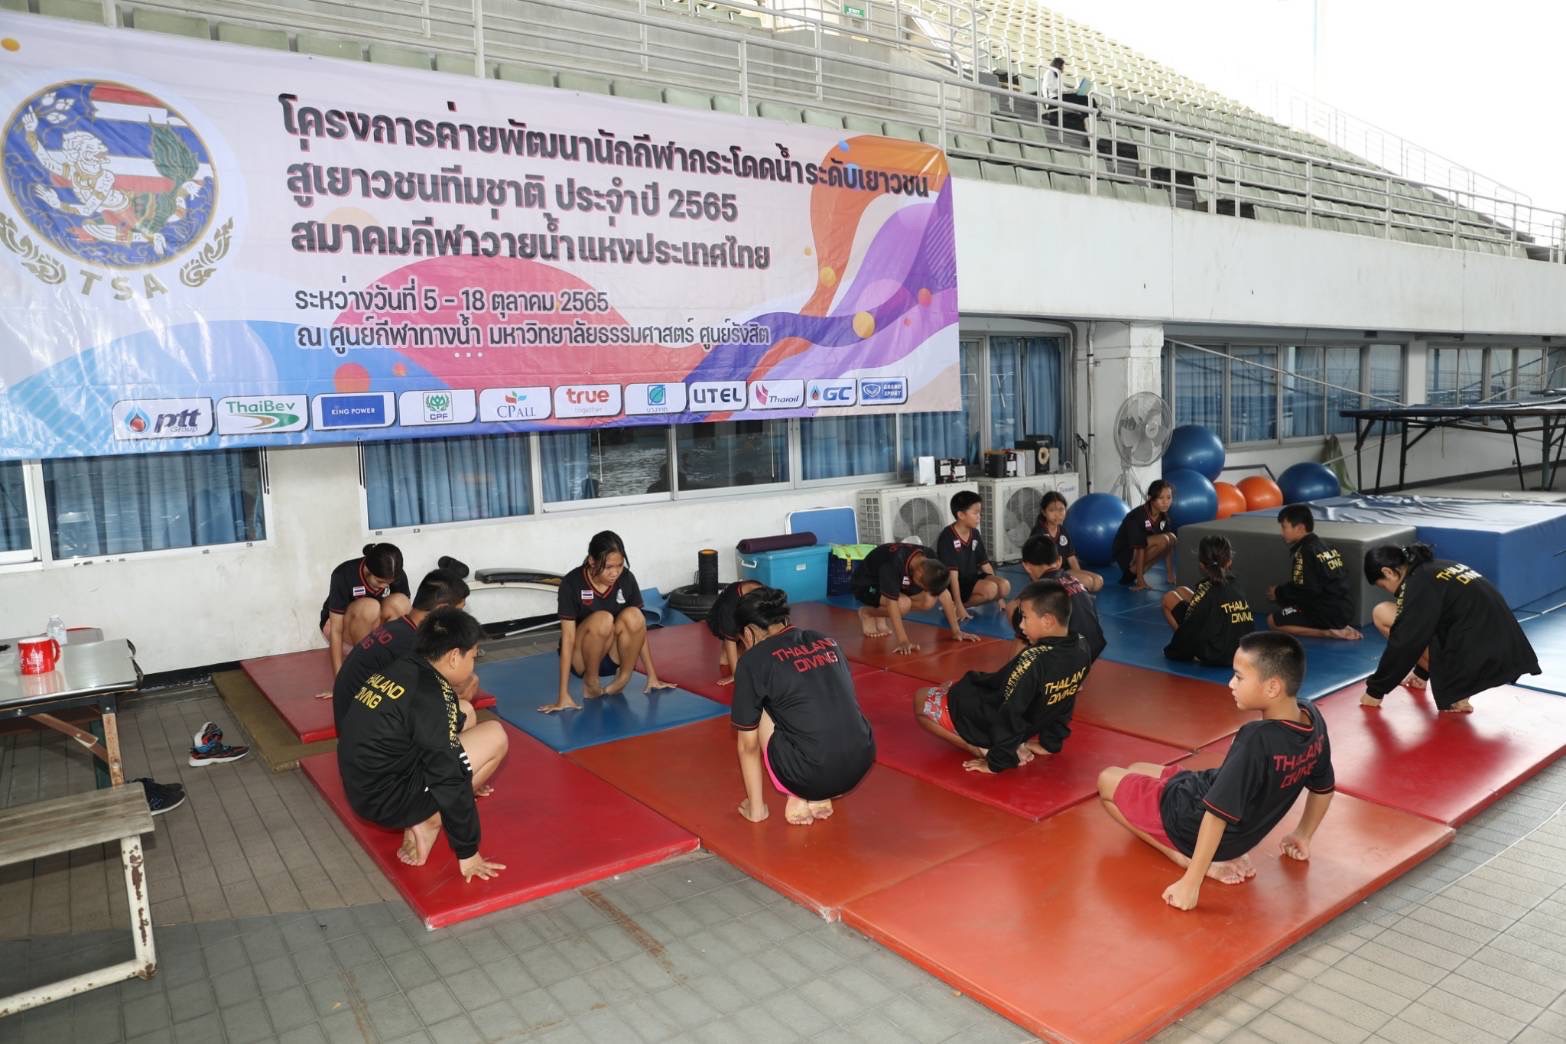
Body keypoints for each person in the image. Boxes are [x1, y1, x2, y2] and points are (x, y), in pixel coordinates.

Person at [1097, 631, 1334, 911]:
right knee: (1136, 768)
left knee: (1106, 780)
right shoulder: (1311, 718)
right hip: (1217, 804)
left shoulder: (1255, 740)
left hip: (1196, 824)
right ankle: (1195, 846)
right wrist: (1303, 834)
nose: (1231, 683)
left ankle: (1180, 855)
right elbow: (1323, 787)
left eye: (1239, 677)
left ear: (1272, 687)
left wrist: (1191, 882)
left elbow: (1216, 814)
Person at [337, 608, 510, 881]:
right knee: (496, 736)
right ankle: (428, 820)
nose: (473, 665)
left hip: (363, 788)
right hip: (386, 801)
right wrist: (467, 852)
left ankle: (424, 808)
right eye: (473, 657)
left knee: (466, 711)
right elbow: (448, 775)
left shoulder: (405, 665)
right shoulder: (430, 694)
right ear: (454, 656)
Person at [731, 587, 875, 826]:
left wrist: (756, 809)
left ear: (748, 632)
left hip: (809, 776)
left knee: (761, 702)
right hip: (859, 763)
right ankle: (820, 795)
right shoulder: (825, 640)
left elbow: (748, 746)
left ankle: (799, 794)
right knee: (812, 697)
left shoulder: (753, 661)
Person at [914, 580, 1092, 772]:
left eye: (1025, 618)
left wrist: (997, 761)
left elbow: (1010, 713)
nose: (1021, 625)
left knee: (921, 699)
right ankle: (1010, 743)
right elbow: (1066, 697)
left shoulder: (1033, 659)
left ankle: (979, 749)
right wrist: (1050, 743)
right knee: (952, 686)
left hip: (993, 725)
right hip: (1025, 725)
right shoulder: (1081, 645)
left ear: (1047, 621)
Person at [1361, 544, 1540, 713]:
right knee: (1414, 622)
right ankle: (1451, 683)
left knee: (1382, 612)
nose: (1389, 591)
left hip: (1479, 661)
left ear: (1388, 572)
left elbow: (1405, 642)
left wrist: (1375, 691)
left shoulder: (1418, 584)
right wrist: (1421, 673)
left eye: (1383, 586)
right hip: (1510, 653)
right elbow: (1433, 624)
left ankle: (1456, 690)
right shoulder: (1436, 567)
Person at [323, 558, 477, 728]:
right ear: (442, 609)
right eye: (459, 611)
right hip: (369, 728)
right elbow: (433, 695)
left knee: (461, 700)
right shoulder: (413, 645)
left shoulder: (399, 628)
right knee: (465, 711)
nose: (461, 618)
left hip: (356, 721)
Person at [540, 531, 673, 713]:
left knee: (635, 615)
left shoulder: (626, 578)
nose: (615, 573)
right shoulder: (572, 583)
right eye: (608, 567)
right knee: (604, 619)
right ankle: (591, 682)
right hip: (581, 659)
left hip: (612, 656)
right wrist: (562, 695)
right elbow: (568, 638)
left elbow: (639, 630)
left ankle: (623, 679)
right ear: (592, 561)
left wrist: (652, 676)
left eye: (619, 565)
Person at [850, 542, 981, 655]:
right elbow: (892, 603)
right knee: (903, 604)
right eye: (924, 586)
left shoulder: (929, 557)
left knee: (928, 600)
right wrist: (903, 641)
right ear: (919, 573)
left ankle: (880, 614)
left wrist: (957, 631)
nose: (924, 589)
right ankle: (868, 613)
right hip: (866, 585)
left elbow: (944, 594)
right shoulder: (893, 563)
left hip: (889, 584)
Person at [1267, 504, 1360, 641]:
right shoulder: (1325, 546)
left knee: (1272, 621)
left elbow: (1306, 590)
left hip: (1326, 612)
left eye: (1284, 527)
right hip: (1344, 609)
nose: (1282, 532)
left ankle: (1328, 632)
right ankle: (1337, 625)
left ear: (1300, 528)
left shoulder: (1305, 552)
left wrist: (1279, 592)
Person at [320, 543, 412, 677]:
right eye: (379, 581)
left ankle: (389, 660)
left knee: (401, 602)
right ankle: (365, 665)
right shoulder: (343, 574)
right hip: (342, 629)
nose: (384, 586)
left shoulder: (396, 574)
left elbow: (406, 623)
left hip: (373, 627)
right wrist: (339, 680)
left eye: (388, 583)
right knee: (370, 606)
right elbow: (336, 630)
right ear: (368, 570)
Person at [1163, 536, 1256, 667]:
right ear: (1229, 561)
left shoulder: (1206, 591)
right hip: (1242, 649)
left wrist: (1175, 650)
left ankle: (1195, 653)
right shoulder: (1236, 584)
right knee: (1182, 590)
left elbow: (1191, 628)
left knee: (1169, 598)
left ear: (1202, 564)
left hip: (1217, 654)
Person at [1016, 534, 1105, 661]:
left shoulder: (1039, 591)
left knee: (1022, 631)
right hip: (1093, 648)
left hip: (1069, 656)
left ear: (1026, 566)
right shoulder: (1074, 580)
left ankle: (1013, 673)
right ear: (1059, 561)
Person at [936, 490, 1011, 613]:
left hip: (972, 578)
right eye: (975, 513)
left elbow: (984, 564)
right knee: (990, 589)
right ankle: (954, 606)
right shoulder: (947, 536)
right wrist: (959, 603)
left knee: (1004, 586)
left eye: (980, 513)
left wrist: (1000, 598)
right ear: (961, 515)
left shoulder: (975, 533)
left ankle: (962, 605)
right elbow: (952, 574)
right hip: (955, 583)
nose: (979, 517)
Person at [1028, 490, 1103, 592]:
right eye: (1052, 510)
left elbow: (1071, 557)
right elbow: (1034, 563)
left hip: (1064, 571)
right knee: (1088, 582)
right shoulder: (1039, 533)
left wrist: (1078, 574)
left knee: (1098, 581)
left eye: (1061, 509)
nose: (1057, 514)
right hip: (1049, 574)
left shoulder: (1063, 530)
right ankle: (1067, 595)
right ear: (1044, 512)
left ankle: (1077, 594)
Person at [1111, 481, 1177, 590]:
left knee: (1172, 538)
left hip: (1141, 556)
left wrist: (1170, 575)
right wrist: (1140, 581)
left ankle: (1135, 573)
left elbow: (1168, 548)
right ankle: (1134, 572)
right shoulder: (1138, 516)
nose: (1166, 502)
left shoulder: (1163, 516)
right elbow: (1139, 546)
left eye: (1169, 497)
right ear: (1150, 498)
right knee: (1164, 539)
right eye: (1161, 498)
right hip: (1127, 556)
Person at [707, 578, 763, 686]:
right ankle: (743, 643)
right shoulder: (729, 609)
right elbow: (730, 640)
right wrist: (736, 674)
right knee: (725, 661)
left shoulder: (765, 594)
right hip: (717, 620)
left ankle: (744, 645)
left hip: (742, 616)